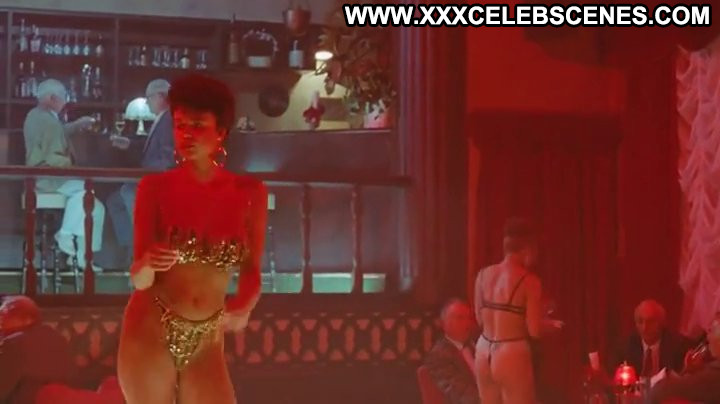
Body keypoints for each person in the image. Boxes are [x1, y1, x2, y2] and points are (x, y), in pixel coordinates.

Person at [116, 73, 267, 404]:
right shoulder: (154, 189)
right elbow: (139, 278)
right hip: (150, 330)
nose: (186, 134)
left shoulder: (250, 193)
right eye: (180, 124)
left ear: (221, 131)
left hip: (207, 341)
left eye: (198, 125)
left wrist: (246, 302)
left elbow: (252, 268)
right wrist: (147, 263)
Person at [23, 78, 105, 271]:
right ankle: (68, 237)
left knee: (90, 200)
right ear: (52, 98)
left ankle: (77, 250)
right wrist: (75, 166)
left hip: (41, 178)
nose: (65, 102)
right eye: (63, 98)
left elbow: (57, 133)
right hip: (49, 180)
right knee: (89, 197)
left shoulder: (37, 116)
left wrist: (76, 125)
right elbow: (52, 156)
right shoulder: (46, 120)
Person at [473, 217, 557, 404]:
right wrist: (549, 325)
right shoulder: (529, 281)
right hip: (511, 352)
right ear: (527, 249)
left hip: (483, 350)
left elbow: (480, 319)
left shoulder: (483, 275)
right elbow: (533, 331)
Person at [107, 79, 174, 266]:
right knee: (115, 201)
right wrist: (129, 144)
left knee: (128, 191)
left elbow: (168, 157)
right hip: (150, 178)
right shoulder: (162, 118)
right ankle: (132, 247)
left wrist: (146, 175)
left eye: (148, 98)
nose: (147, 102)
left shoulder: (170, 119)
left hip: (160, 183)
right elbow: (153, 146)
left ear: (161, 96)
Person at [0, 295, 76, 404]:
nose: (1, 322)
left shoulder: (14, 343)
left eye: (3, 315)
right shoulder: (56, 337)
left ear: (27, 319)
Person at [650, 312, 720, 403]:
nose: (707, 332)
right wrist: (690, 371)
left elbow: (660, 391)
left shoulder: (714, 375)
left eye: (712, 329)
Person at [613, 299, 691, 377]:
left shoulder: (678, 345)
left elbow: (681, 376)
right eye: (640, 321)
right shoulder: (625, 346)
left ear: (662, 322)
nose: (644, 328)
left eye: (651, 322)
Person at [424, 299, 479, 404]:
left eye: (469, 318)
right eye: (460, 318)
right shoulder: (438, 355)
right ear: (444, 324)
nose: (467, 323)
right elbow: (458, 393)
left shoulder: (476, 346)